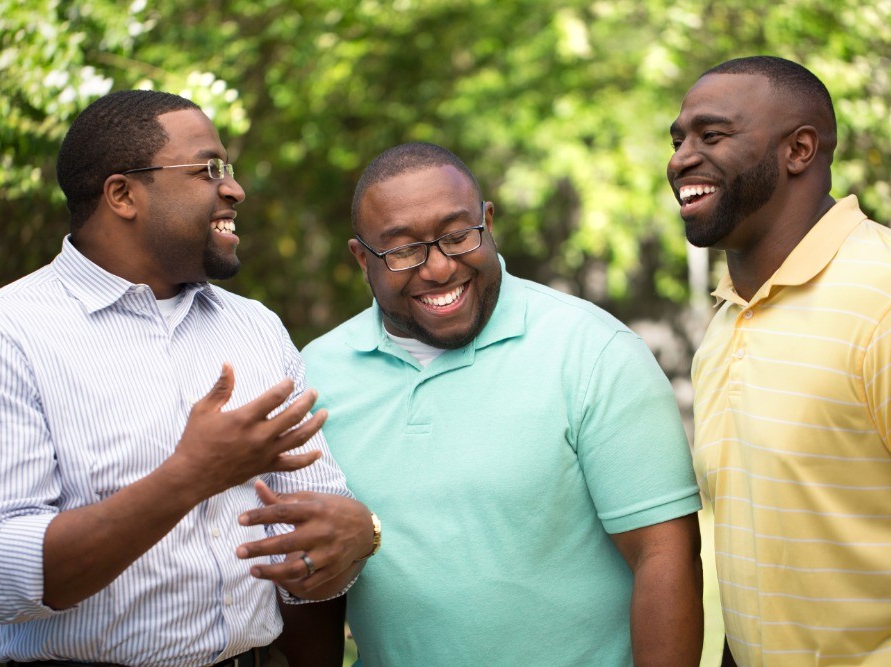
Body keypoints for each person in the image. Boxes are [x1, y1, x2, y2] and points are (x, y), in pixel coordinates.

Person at [0, 90, 379, 667]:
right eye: (209, 169)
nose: (234, 189)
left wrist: (354, 538)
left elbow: (313, 537)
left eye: (228, 169)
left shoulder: (255, 327)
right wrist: (188, 477)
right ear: (122, 194)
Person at [278, 141, 704, 665]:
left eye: (458, 236)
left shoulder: (593, 351)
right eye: (404, 250)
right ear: (361, 258)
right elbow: (309, 575)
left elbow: (666, 558)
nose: (438, 268)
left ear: (488, 222)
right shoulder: (315, 374)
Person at [668, 56, 891, 665]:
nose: (679, 159)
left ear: (799, 149)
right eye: (677, 140)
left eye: (712, 135)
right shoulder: (728, 319)